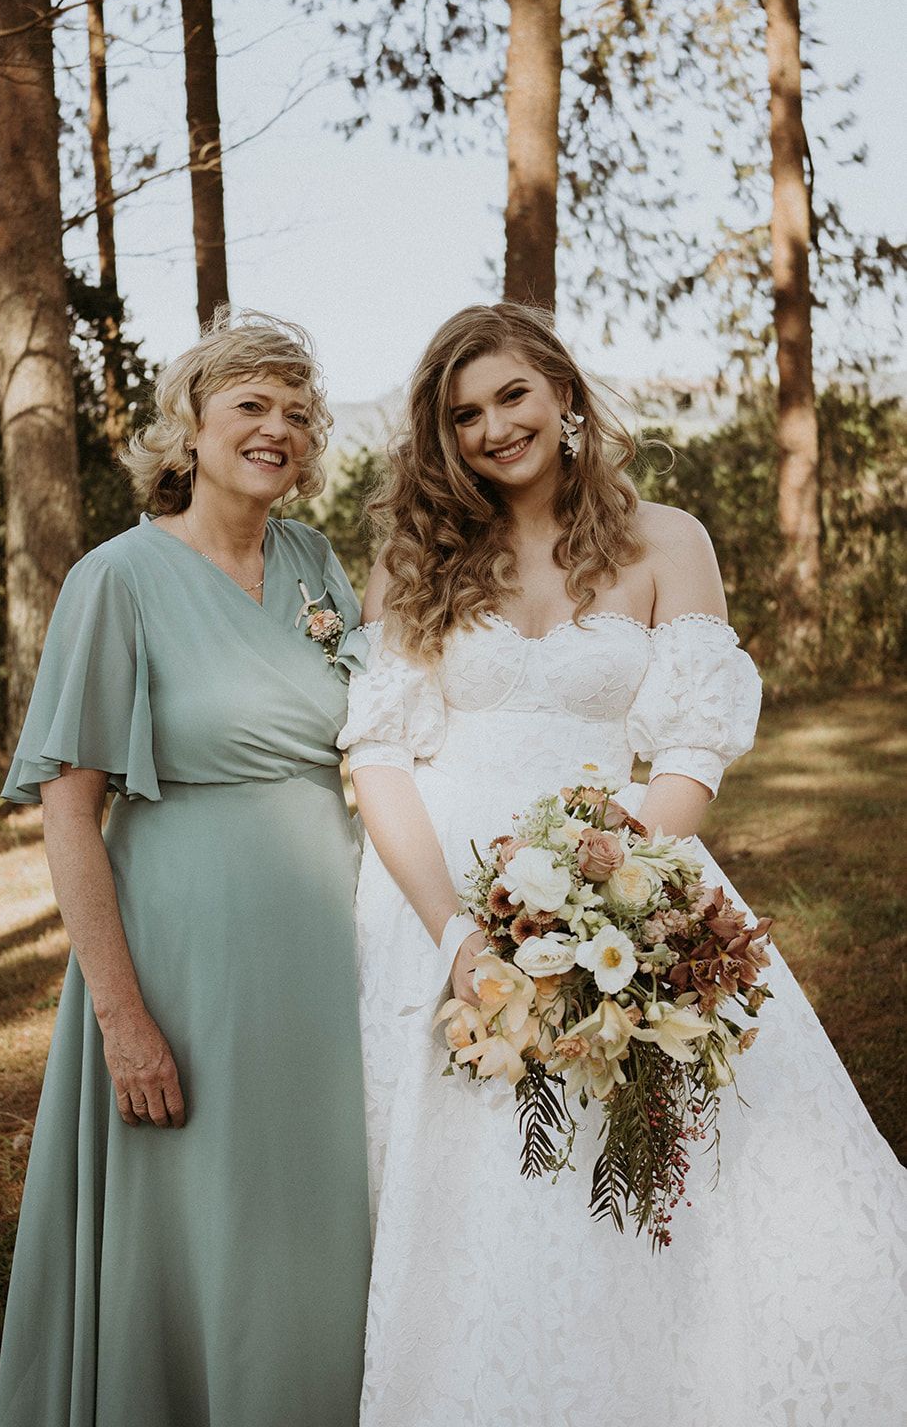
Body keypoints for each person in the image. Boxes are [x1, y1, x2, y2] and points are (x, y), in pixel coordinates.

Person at [339, 302, 907, 1427]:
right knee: (476, 1176)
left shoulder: (666, 539)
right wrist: (459, 933)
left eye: (511, 395)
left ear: (561, 391)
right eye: (464, 415)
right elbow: (379, 753)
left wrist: (621, 894)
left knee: (667, 1150)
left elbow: (691, 745)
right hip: (437, 893)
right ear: (441, 438)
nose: (495, 427)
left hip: (629, 872)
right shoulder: (417, 556)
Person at [0, 311, 369, 1427]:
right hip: (185, 946)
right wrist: (122, 1015)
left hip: (327, 930)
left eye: (296, 413)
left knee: (328, 1197)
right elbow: (70, 813)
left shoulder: (313, 562)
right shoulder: (117, 578)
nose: (278, 429)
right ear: (188, 428)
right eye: (250, 406)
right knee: (209, 1206)